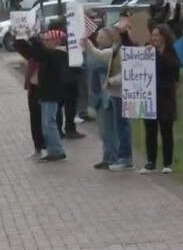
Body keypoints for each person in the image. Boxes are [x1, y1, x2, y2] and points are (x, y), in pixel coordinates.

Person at [84, 16, 136, 171]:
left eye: (115, 31)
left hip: (123, 93)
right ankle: (120, 157)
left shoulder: (125, 50)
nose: (112, 33)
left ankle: (126, 158)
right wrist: (86, 42)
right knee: (118, 126)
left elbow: (128, 72)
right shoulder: (114, 50)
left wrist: (112, 81)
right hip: (114, 94)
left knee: (123, 126)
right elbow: (97, 54)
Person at [15, 29, 69, 162]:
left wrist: (33, 37)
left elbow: (42, 53)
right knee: (45, 123)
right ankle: (51, 150)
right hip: (44, 92)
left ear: (55, 41)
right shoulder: (48, 54)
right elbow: (31, 53)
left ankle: (56, 150)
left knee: (49, 123)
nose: (44, 42)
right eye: (43, 40)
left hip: (51, 92)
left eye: (47, 40)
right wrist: (18, 37)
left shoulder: (59, 53)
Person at [140, 24, 182, 174]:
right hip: (149, 95)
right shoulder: (147, 50)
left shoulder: (171, 52)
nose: (154, 38)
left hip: (165, 96)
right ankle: (151, 161)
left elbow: (174, 66)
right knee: (150, 130)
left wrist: (157, 54)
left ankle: (167, 162)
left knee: (166, 130)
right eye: (153, 35)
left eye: (157, 35)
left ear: (164, 36)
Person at [83, 26, 116, 169]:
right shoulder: (98, 53)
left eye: (102, 38)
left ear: (110, 39)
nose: (98, 40)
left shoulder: (110, 54)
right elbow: (85, 65)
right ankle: (106, 156)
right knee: (103, 130)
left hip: (108, 97)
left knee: (109, 130)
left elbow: (93, 64)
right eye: (98, 37)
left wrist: (88, 51)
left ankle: (113, 158)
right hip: (98, 96)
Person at [47, 20, 85, 140]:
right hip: (69, 75)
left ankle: (60, 129)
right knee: (70, 105)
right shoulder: (66, 38)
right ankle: (69, 128)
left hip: (58, 76)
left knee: (59, 105)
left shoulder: (50, 40)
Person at [23, 47, 46, 160]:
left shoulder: (45, 56)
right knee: (34, 119)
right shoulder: (32, 57)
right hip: (33, 88)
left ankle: (46, 147)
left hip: (43, 89)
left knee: (43, 119)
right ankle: (38, 148)